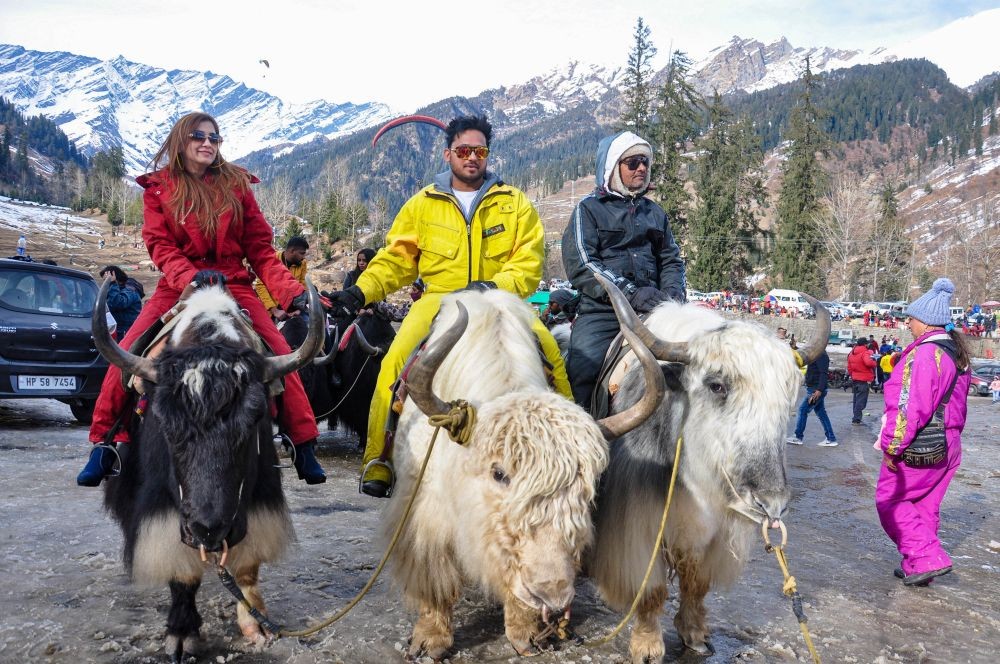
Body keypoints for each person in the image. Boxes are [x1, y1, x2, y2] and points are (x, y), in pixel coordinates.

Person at [325, 115, 571, 498]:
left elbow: (528, 262)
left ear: (487, 154)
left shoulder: (515, 203)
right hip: (439, 298)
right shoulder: (422, 204)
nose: (472, 157)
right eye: (463, 150)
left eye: (480, 150)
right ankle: (379, 458)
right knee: (394, 363)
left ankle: (567, 448)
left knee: (551, 353)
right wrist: (361, 291)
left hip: (498, 298)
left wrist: (495, 284)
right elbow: (397, 260)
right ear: (448, 154)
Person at [77, 111, 326, 487]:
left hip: (234, 284)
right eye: (198, 136)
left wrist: (293, 295)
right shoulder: (158, 188)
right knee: (126, 350)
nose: (208, 143)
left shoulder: (237, 185)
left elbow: (259, 249)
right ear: (181, 141)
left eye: (214, 137)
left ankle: (302, 442)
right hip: (177, 285)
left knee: (278, 352)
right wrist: (190, 276)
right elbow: (159, 245)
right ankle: (106, 441)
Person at [561, 130, 685, 406]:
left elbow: (671, 260)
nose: (641, 168)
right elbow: (583, 263)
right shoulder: (588, 209)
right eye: (632, 163)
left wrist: (673, 297)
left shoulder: (655, 213)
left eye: (645, 162)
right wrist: (629, 294)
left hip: (654, 307)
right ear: (613, 167)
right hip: (604, 312)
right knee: (583, 368)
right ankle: (583, 434)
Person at [874, 278, 971, 586]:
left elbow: (908, 408)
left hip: (922, 445)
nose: (908, 323)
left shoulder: (924, 355)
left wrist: (892, 447)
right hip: (949, 442)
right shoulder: (955, 354)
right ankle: (918, 564)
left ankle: (927, 556)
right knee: (924, 505)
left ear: (925, 322)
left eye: (911, 318)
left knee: (890, 500)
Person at [786, 348, 838, 447]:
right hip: (813, 388)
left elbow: (823, 374)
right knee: (821, 414)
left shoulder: (821, 355)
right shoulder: (816, 354)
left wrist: (819, 390)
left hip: (815, 391)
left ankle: (798, 436)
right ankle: (831, 438)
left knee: (802, 410)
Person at [254, 235, 310, 321]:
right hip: (273, 310)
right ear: (292, 251)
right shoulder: (271, 259)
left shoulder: (303, 263)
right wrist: (274, 310)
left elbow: (303, 284)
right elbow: (260, 286)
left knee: (310, 323)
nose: (303, 257)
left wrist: (299, 308)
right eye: (301, 253)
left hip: (294, 307)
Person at [98, 265, 143, 340]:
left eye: (106, 280)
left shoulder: (130, 290)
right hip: (118, 330)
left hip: (126, 332)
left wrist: (112, 283)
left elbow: (118, 303)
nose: (105, 283)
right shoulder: (115, 289)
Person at [847, 338, 876, 425]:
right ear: (865, 344)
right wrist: (874, 361)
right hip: (863, 380)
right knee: (861, 401)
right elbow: (868, 363)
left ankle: (856, 417)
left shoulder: (852, 353)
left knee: (856, 399)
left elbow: (849, 367)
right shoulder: (865, 352)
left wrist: (853, 375)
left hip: (855, 379)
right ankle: (856, 419)